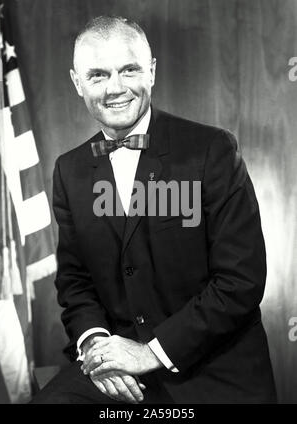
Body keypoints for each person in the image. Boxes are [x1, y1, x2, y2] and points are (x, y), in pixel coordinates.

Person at [31, 15, 277, 404]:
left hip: (209, 368)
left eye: (129, 70)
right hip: (115, 371)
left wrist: (147, 354)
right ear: (77, 83)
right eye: (97, 75)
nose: (116, 88)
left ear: (152, 71)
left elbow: (240, 281)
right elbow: (76, 283)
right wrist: (98, 348)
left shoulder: (212, 151)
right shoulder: (69, 169)